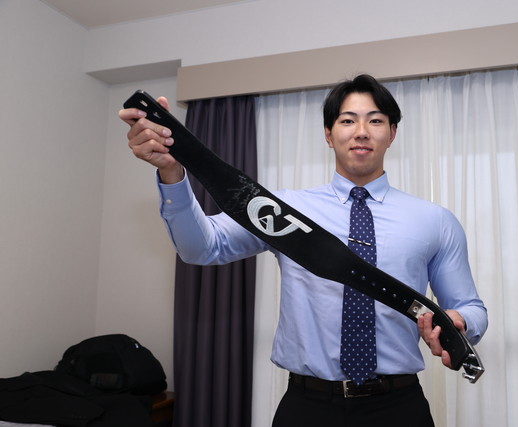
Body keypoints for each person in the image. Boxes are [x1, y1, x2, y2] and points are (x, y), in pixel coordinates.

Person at [119, 74, 487, 427]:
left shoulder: (435, 220)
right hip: (308, 408)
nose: (361, 131)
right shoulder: (283, 211)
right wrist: (171, 173)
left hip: (400, 408)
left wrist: (462, 322)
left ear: (391, 133)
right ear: (328, 134)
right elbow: (203, 248)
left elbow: (471, 308)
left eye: (375, 121)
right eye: (348, 120)